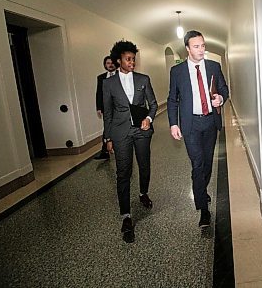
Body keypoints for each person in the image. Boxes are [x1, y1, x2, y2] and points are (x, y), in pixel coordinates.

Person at [167, 30, 229, 228]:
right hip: (191, 124)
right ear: (187, 48)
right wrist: (173, 123)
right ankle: (203, 209)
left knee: (208, 163)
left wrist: (221, 98)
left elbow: (224, 89)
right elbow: (172, 99)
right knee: (198, 164)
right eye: (196, 46)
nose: (201, 49)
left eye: (203, 45)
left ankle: (202, 190)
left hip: (210, 122)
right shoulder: (177, 72)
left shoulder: (213, 66)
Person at [103, 40, 158, 243]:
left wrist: (149, 119)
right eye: (128, 59)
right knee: (123, 172)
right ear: (119, 61)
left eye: (134, 59)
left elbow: (152, 104)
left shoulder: (143, 79)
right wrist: (107, 137)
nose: (132, 62)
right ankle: (126, 216)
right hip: (120, 132)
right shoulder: (108, 83)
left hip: (141, 131)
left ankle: (143, 193)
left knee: (144, 165)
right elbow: (107, 113)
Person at [94, 56, 117, 160]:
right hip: (106, 108)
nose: (110, 65)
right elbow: (99, 93)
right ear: (105, 65)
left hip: (119, 108)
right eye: (108, 63)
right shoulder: (101, 77)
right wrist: (99, 107)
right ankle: (105, 151)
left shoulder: (121, 75)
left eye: (112, 63)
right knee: (107, 128)